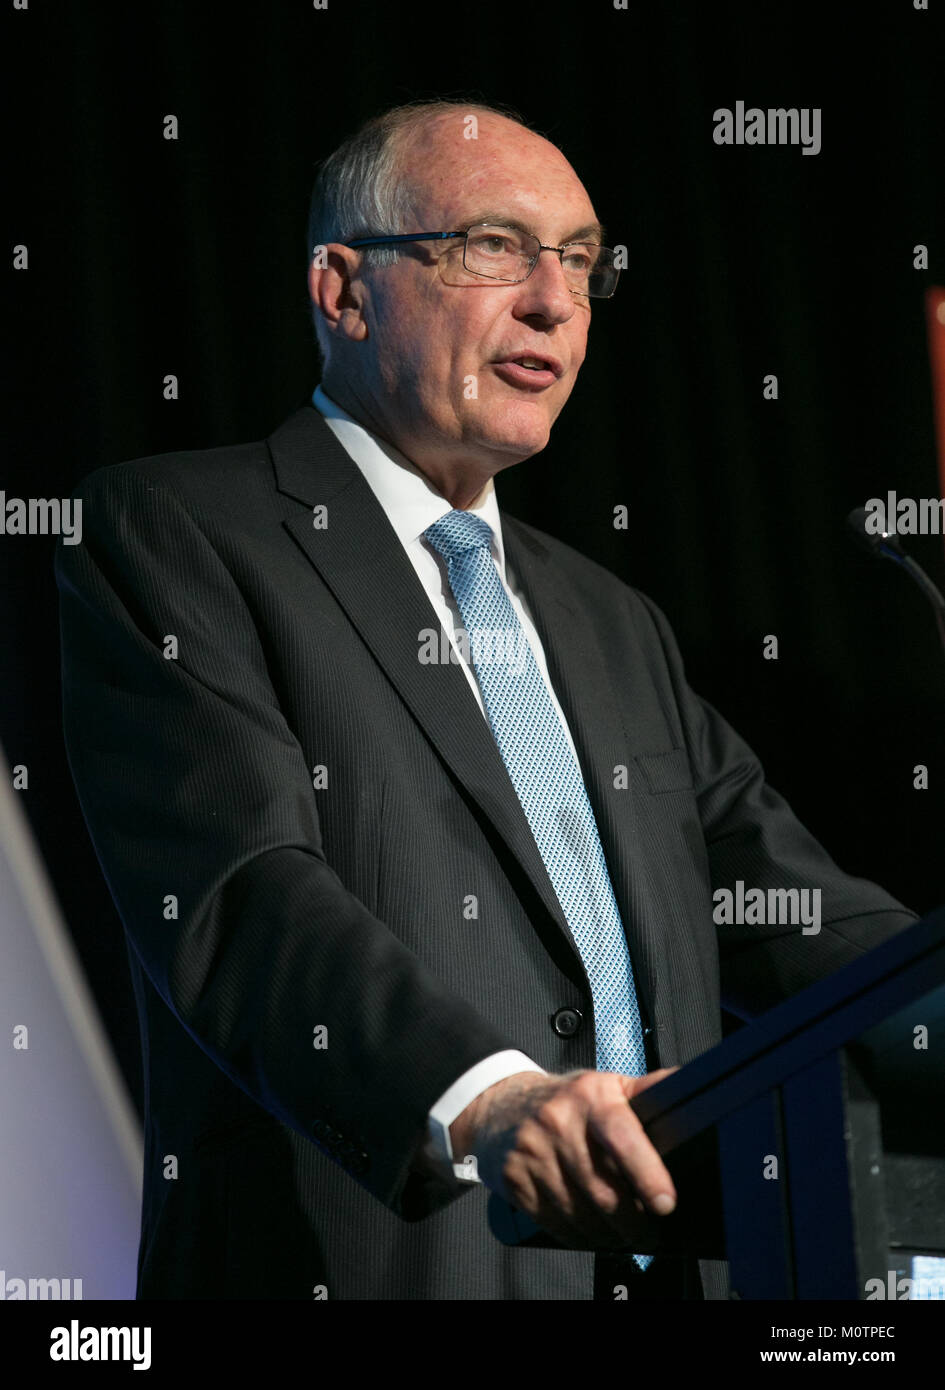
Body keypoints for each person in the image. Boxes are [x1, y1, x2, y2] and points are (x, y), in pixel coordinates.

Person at [55, 98, 915, 1301]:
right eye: (495, 247)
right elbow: (243, 896)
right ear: (344, 292)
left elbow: (797, 915)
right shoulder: (179, 532)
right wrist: (493, 1099)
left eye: (578, 259)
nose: (557, 302)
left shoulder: (613, 621)